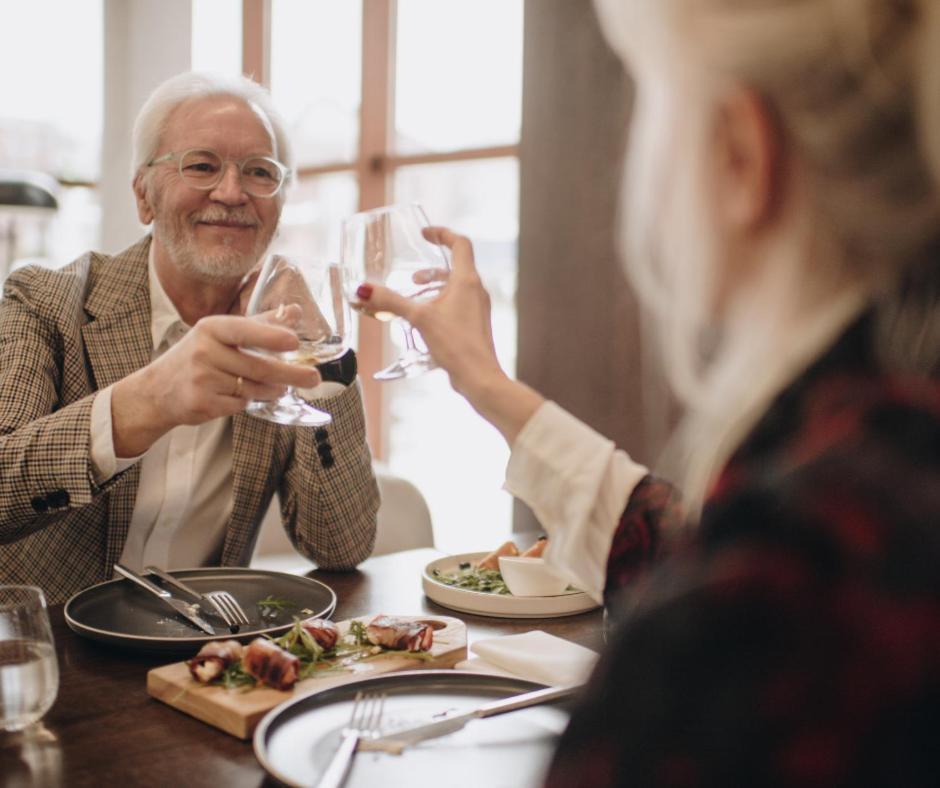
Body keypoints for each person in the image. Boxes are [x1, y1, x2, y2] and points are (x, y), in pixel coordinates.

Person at [352, 0, 940, 784]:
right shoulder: (879, 460)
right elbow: (677, 536)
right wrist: (486, 384)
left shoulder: (772, 598)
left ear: (740, 152)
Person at [0, 72, 379, 604]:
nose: (231, 192)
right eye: (201, 166)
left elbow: (342, 545)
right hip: (50, 657)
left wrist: (321, 355)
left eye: (259, 172)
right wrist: (149, 400)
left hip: (207, 663)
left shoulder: (279, 339)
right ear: (144, 196)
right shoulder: (44, 301)